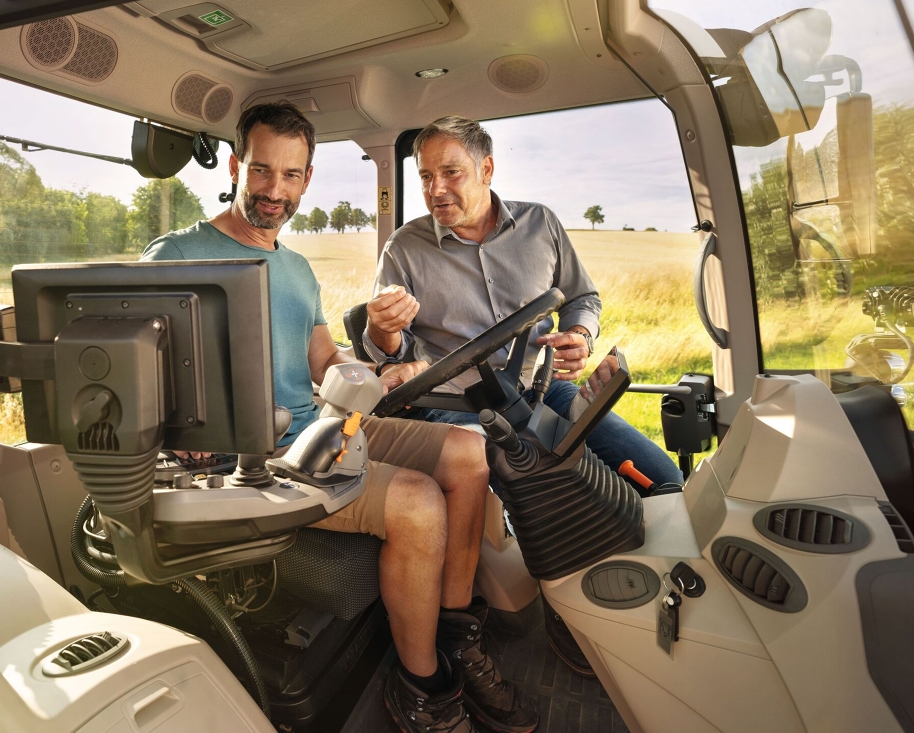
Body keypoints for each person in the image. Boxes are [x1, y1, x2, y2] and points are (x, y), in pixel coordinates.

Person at [141, 102, 536, 733]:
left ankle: (458, 634)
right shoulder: (177, 252)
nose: (276, 191)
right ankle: (421, 685)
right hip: (255, 454)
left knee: (468, 453)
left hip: (321, 423)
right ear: (239, 166)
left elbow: (327, 363)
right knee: (416, 502)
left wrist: (382, 357)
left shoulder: (295, 268)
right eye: (263, 172)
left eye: (292, 175)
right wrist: (175, 431)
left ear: (308, 178)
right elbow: (140, 365)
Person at [362, 115, 684, 489]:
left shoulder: (541, 223)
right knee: (530, 500)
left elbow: (581, 296)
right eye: (425, 176)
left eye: (451, 172)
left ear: (487, 169)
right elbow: (391, 357)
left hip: (544, 391)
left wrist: (580, 333)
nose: (436, 189)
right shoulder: (403, 248)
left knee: (662, 479)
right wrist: (381, 328)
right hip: (456, 406)